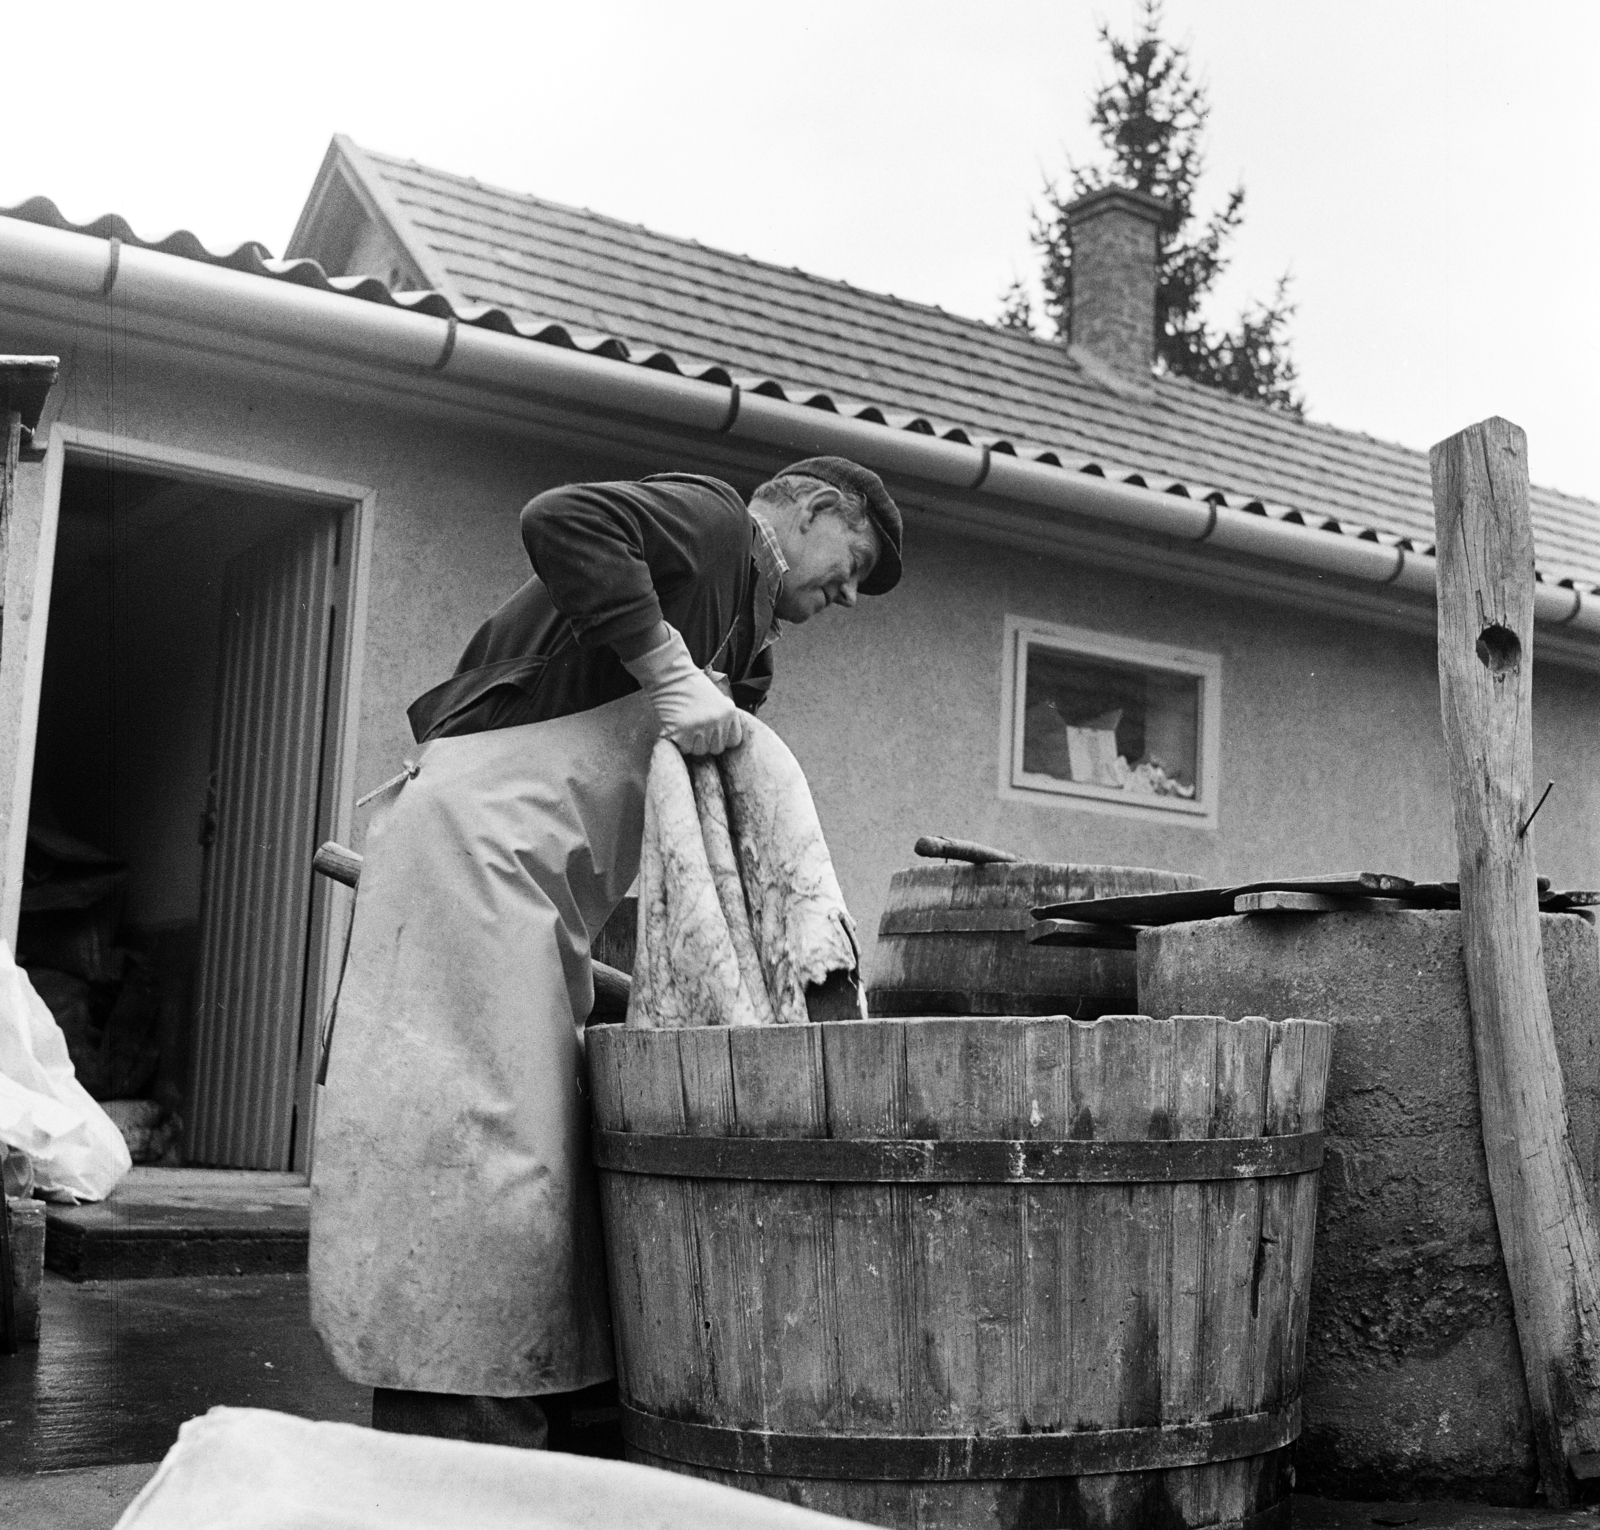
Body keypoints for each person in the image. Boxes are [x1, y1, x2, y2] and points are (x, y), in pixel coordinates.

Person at [309, 456, 902, 1449]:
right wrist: (668, 674)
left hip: (543, 893)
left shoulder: (741, 632)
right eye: (852, 562)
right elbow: (563, 516)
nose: (845, 594)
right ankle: (458, 1451)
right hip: (477, 855)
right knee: (479, 1157)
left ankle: (537, 1420)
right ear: (810, 509)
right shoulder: (719, 526)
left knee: (547, 1168)